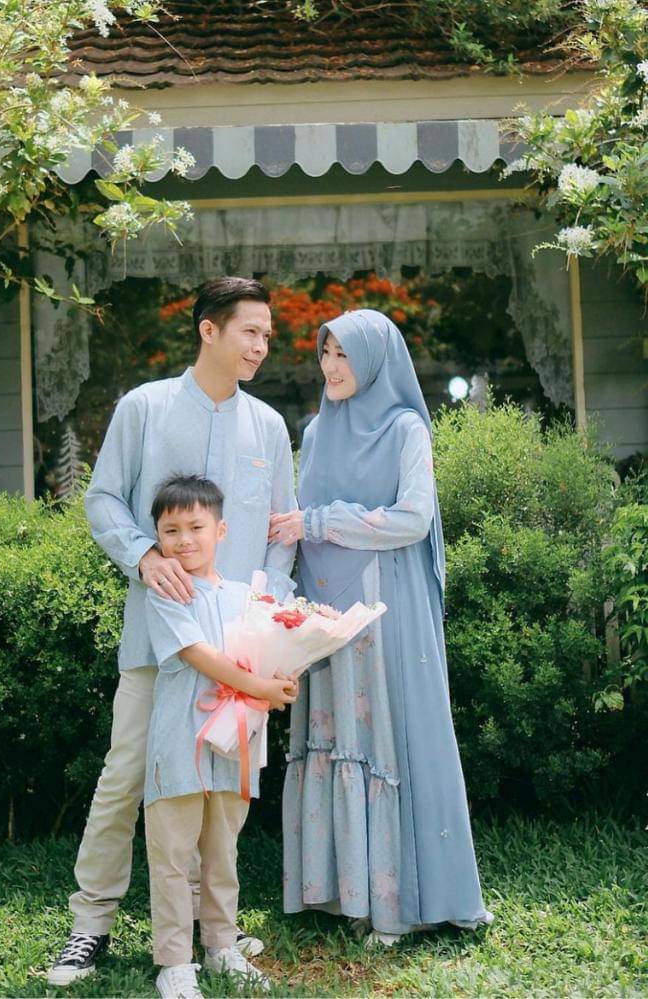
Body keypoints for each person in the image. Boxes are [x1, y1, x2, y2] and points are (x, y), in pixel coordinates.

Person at [48, 278, 296, 987]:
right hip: (157, 640)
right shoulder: (145, 408)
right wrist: (144, 555)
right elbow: (102, 498)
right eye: (250, 331)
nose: (261, 345)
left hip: (236, 653)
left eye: (268, 335)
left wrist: (265, 619)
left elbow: (280, 533)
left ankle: (210, 929)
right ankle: (90, 925)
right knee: (126, 774)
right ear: (209, 330)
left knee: (220, 791)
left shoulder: (269, 427)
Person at [270, 309, 492, 944]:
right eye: (326, 352)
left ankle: (400, 905)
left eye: (345, 354)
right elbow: (293, 519)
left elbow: (412, 519)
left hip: (383, 609)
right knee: (340, 734)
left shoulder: (404, 430)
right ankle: (346, 894)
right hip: (325, 614)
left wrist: (321, 521)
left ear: (375, 361)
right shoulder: (316, 433)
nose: (331, 366)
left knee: (385, 739)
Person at [144, 475, 298, 999]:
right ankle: (174, 962)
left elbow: (266, 651)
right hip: (179, 743)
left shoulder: (245, 598)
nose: (184, 540)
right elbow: (198, 655)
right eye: (171, 531)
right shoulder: (165, 593)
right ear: (157, 538)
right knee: (172, 855)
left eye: (196, 527)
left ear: (222, 530)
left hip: (235, 745)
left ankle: (221, 947)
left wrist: (282, 677)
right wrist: (259, 686)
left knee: (222, 851)